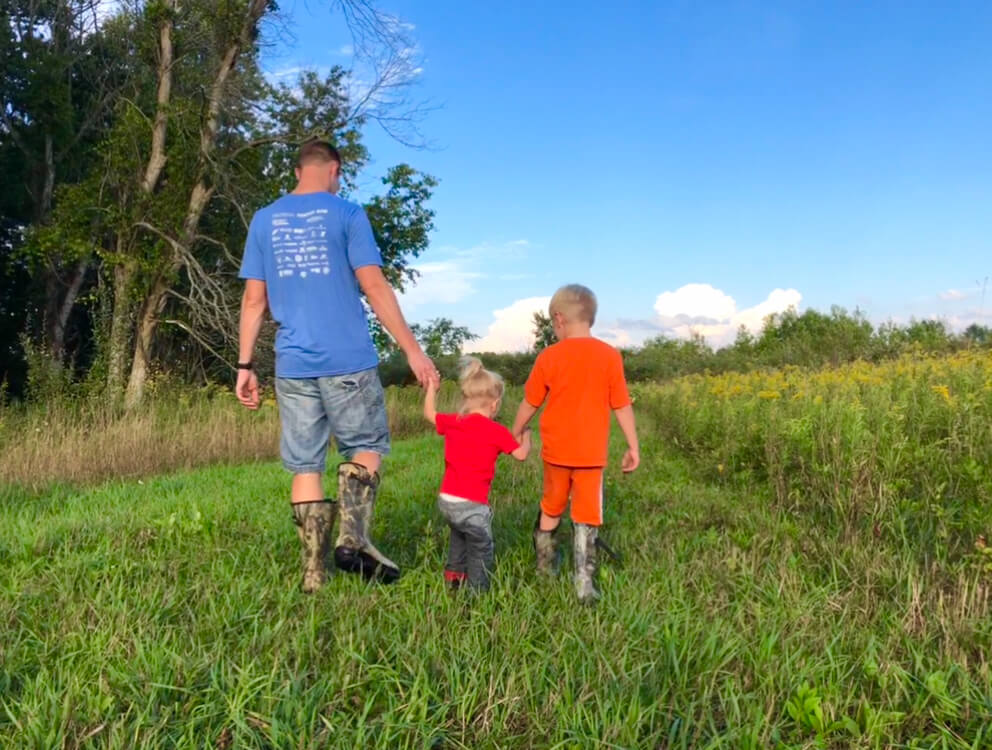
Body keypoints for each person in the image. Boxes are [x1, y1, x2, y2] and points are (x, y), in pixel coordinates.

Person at [236, 140, 438, 593]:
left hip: (292, 366)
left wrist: (244, 365)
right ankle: (353, 538)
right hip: (347, 359)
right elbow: (374, 285)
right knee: (366, 444)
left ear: (297, 169)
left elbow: (254, 300)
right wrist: (411, 349)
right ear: (335, 170)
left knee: (305, 464)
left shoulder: (264, 219)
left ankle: (313, 574)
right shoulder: (347, 214)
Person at [511, 284, 639, 604]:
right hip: (591, 455)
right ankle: (583, 581)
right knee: (586, 515)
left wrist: (516, 429)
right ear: (590, 318)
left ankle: (544, 568)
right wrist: (633, 446)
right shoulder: (609, 356)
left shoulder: (549, 356)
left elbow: (530, 402)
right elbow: (621, 404)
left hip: (556, 453)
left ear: (559, 319)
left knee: (551, 506)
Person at [423, 357, 531, 591]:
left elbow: (430, 413)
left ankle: (453, 578)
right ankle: (477, 592)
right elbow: (521, 455)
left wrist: (431, 387)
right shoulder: (497, 431)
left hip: (447, 500)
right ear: (494, 404)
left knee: (459, 537)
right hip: (473, 505)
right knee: (481, 548)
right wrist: (527, 436)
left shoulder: (455, 422)